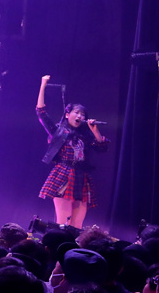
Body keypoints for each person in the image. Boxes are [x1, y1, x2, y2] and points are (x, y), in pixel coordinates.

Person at [36, 74, 108, 227]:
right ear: (68, 114)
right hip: (64, 174)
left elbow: (102, 147)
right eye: (77, 112)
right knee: (63, 223)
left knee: (77, 224)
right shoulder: (58, 130)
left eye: (83, 114)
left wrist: (95, 131)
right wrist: (43, 85)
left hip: (82, 176)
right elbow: (41, 113)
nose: (80, 116)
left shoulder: (86, 135)